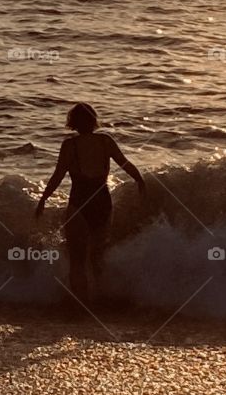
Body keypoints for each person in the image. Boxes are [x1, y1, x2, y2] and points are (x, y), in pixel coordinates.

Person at [35, 103, 145, 305]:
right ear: (94, 121)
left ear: (73, 123)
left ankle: (82, 303)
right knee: (97, 255)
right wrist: (140, 181)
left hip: (80, 200)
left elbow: (58, 176)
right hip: (102, 200)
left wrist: (43, 199)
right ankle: (101, 300)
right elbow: (125, 163)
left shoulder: (70, 145)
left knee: (77, 258)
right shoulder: (105, 141)